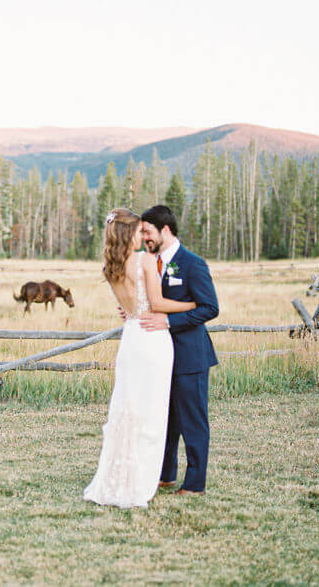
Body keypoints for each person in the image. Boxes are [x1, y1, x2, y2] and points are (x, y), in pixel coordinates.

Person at [83, 208, 197, 508]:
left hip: (131, 337)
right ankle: (141, 480)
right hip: (152, 339)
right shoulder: (145, 261)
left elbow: (128, 308)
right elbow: (156, 303)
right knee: (151, 412)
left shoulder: (110, 267)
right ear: (128, 233)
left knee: (127, 408)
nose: (142, 236)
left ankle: (119, 476)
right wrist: (190, 305)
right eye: (138, 231)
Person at [139, 205, 219, 496]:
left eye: (147, 231)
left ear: (166, 230)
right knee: (166, 418)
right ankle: (165, 474)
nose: (144, 237)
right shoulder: (150, 262)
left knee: (193, 422)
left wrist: (169, 321)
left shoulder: (192, 264)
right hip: (160, 356)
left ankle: (195, 484)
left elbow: (210, 308)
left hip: (190, 356)